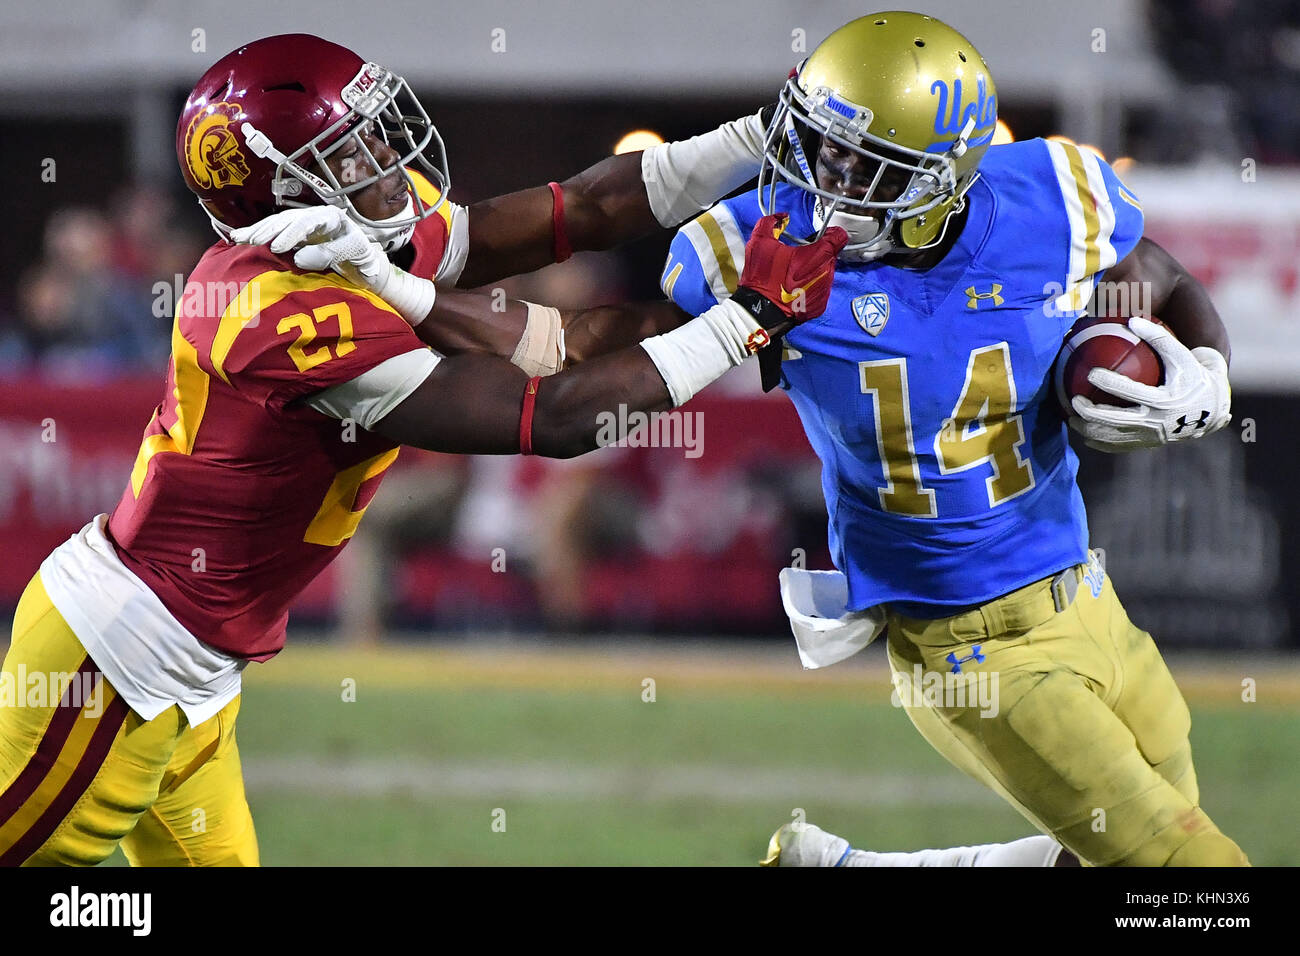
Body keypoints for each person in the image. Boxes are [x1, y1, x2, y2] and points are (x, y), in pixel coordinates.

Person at [0, 32, 847, 866]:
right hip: (119, 663)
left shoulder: (348, 240)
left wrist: (762, 135)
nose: (385, 150)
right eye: (350, 144)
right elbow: (552, 413)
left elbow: (583, 209)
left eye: (372, 124)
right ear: (283, 188)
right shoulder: (272, 310)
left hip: (196, 669)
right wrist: (747, 321)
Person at [661, 12, 1245, 867]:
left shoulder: (1050, 197)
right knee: (1194, 874)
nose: (832, 180)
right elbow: (612, 348)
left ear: (939, 181)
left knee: (1137, 863)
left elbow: (1157, 265)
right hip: (966, 644)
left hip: (1086, 594)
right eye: (826, 149)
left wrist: (1205, 368)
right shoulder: (758, 249)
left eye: (866, 164)